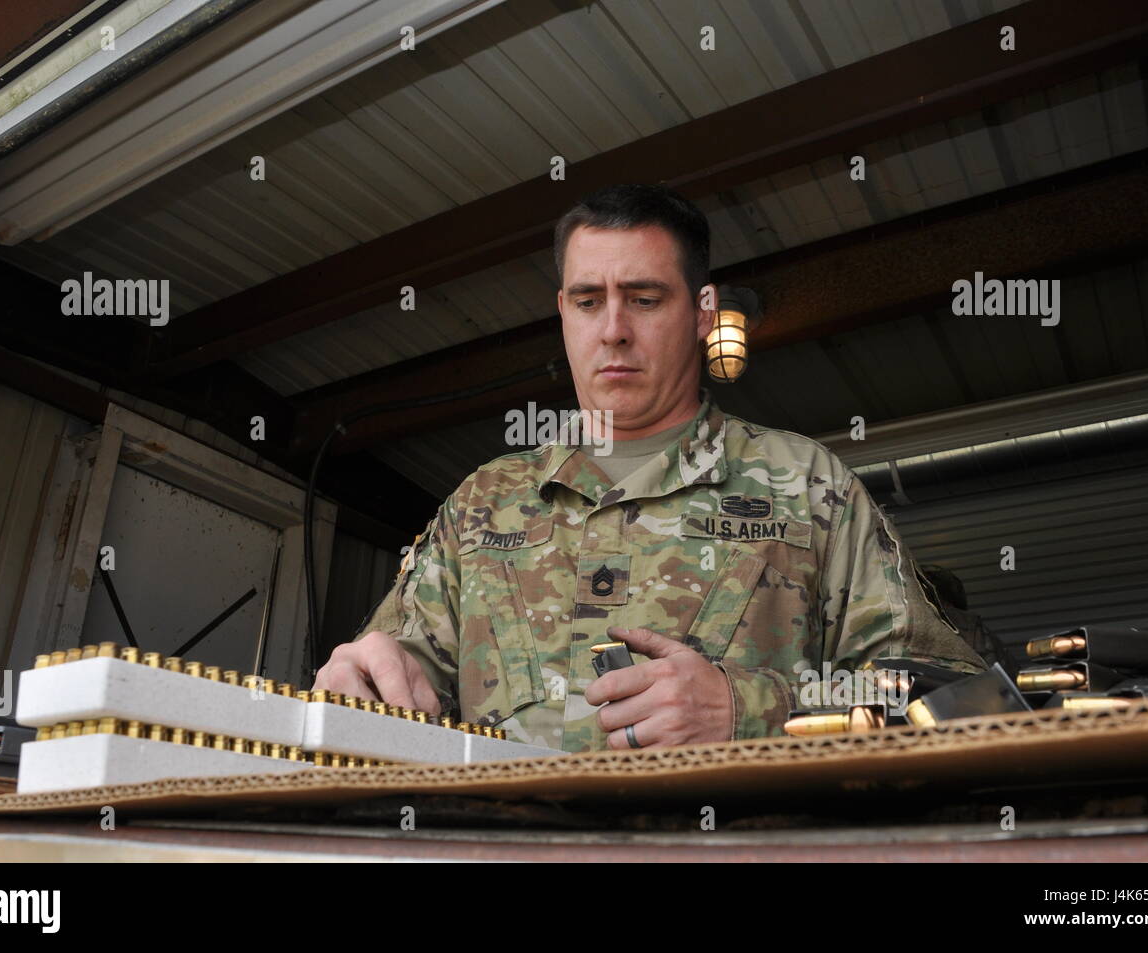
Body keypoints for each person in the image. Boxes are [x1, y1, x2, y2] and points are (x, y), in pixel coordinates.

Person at [313, 183, 986, 752]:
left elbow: (951, 691)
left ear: (701, 314)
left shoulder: (809, 485)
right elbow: (393, 679)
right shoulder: (482, 504)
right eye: (587, 301)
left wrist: (748, 708)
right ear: (563, 313)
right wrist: (362, 678)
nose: (612, 329)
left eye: (643, 298)